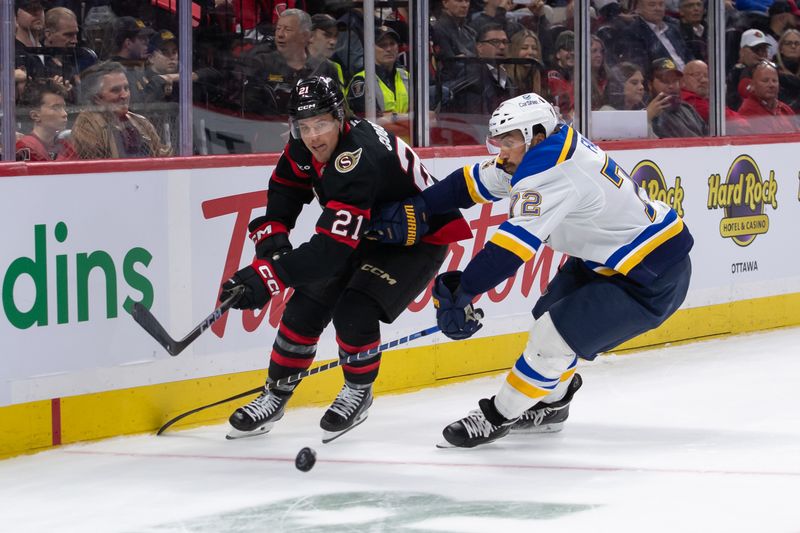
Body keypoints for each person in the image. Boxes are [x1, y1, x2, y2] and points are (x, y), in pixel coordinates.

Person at [367, 92, 693, 448]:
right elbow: (471, 183)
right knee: (546, 319)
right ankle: (553, 405)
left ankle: (495, 417)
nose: (502, 152)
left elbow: (513, 246)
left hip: (649, 275)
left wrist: (466, 291)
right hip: (609, 260)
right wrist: (420, 207)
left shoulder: (551, 169)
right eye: (499, 143)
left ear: (536, 135)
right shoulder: (542, 151)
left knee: (552, 339)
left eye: (509, 142)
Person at [219, 76, 471, 442]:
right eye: (303, 126)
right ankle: (275, 394)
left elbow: (330, 253)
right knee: (305, 306)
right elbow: (285, 192)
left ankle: (358, 390)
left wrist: (268, 276)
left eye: (321, 124)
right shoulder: (303, 147)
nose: (312, 136)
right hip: (371, 227)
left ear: (340, 118)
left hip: (418, 236)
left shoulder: (358, 157)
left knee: (355, 311)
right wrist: (273, 245)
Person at [63, 61, 171, 159]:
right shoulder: (87, 126)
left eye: (126, 88)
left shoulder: (141, 122)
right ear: (97, 98)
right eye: (115, 90)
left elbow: (162, 158)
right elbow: (94, 172)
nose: (124, 95)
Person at [647, 57, 707, 137]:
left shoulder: (687, 108)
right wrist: (647, 118)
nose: (671, 86)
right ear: (650, 85)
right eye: (665, 81)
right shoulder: (648, 115)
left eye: (675, 81)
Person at [737, 60, 800, 133]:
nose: (771, 85)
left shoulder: (785, 109)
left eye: (774, 81)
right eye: (765, 81)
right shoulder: (747, 112)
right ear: (753, 85)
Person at [15, 79, 69, 161]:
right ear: (35, 115)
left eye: (63, 107)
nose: (65, 114)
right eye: (55, 107)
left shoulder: (66, 146)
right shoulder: (26, 148)